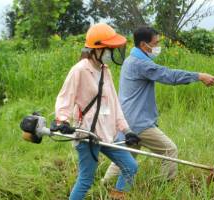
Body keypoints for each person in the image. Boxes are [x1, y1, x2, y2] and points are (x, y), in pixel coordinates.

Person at [103, 26, 214, 182]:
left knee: (125, 157)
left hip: (127, 120)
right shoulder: (140, 63)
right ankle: (164, 185)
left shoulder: (131, 60)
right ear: (144, 45)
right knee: (169, 150)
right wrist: (199, 76)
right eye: (155, 43)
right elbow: (169, 75)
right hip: (138, 122)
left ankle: (105, 185)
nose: (157, 47)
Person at [54, 23, 139, 200]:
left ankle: (118, 196)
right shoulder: (80, 70)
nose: (111, 53)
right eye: (108, 49)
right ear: (97, 49)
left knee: (130, 166)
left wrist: (127, 130)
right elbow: (65, 98)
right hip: (87, 135)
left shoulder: (105, 71)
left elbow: (114, 105)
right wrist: (62, 121)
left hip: (108, 133)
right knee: (86, 179)